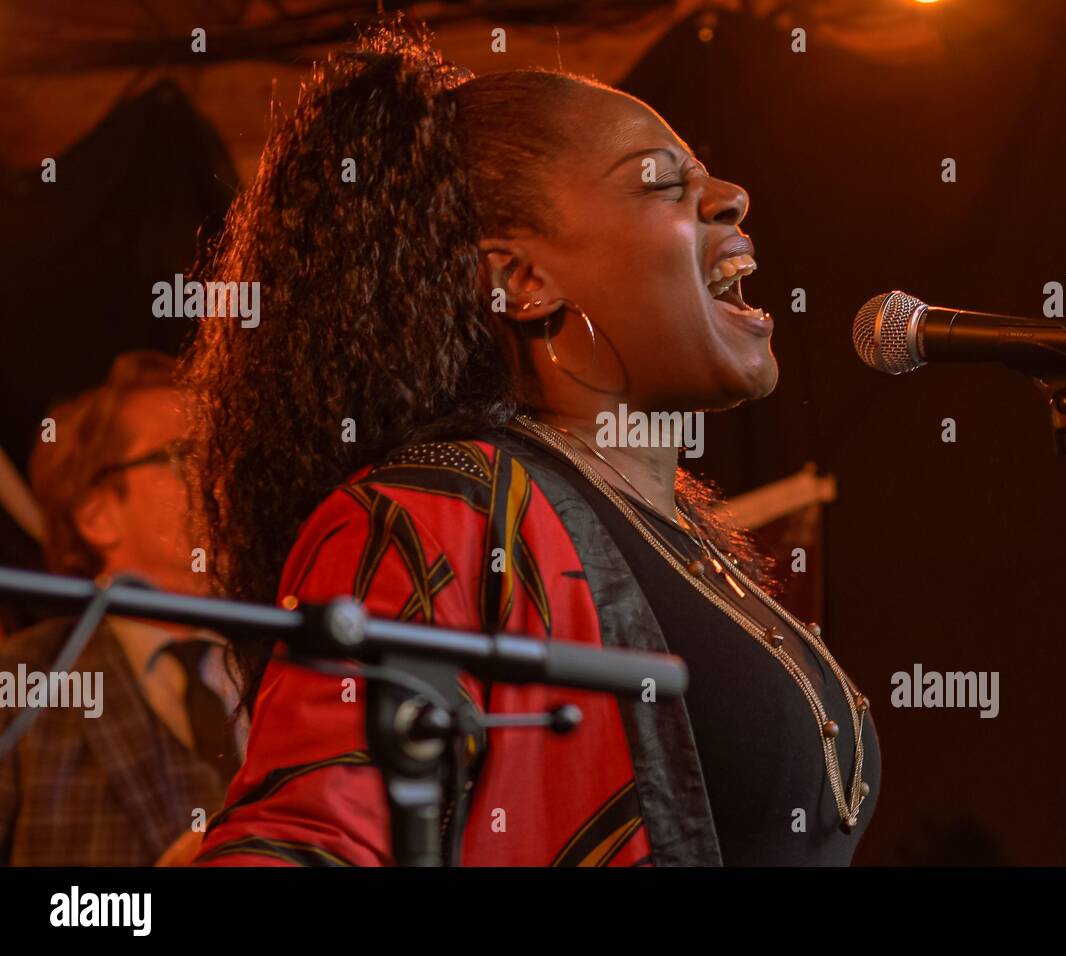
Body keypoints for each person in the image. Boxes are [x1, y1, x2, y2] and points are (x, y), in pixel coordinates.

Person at [185, 22, 880, 867]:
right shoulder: (429, 515)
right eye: (663, 183)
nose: (731, 195)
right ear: (520, 280)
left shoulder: (685, 539)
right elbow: (314, 837)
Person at [0, 351, 245, 865]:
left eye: (225, 451)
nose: (223, 476)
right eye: (186, 454)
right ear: (96, 516)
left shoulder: (297, 663)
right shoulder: (22, 682)